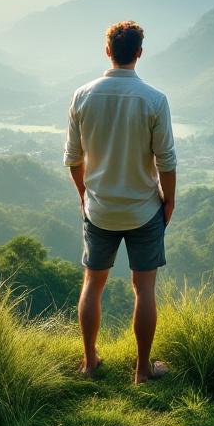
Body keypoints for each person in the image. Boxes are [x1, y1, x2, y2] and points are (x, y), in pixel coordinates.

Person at [64, 20, 176, 384]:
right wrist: (168, 202)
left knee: (92, 284)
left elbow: (73, 159)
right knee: (144, 289)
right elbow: (167, 161)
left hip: (99, 210)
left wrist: (85, 195)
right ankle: (143, 371)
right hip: (144, 209)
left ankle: (89, 362)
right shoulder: (155, 100)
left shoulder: (82, 96)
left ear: (107, 50)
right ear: (140, 53)